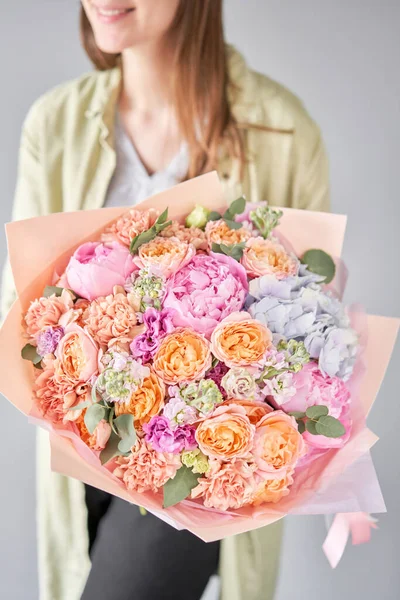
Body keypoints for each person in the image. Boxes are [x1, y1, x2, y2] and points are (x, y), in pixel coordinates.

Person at [1, 1, 330, 599]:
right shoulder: (56, 124)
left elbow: (313, 336)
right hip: (82, 449)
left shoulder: (282, 131)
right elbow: (18, 312)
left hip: (196, 461)